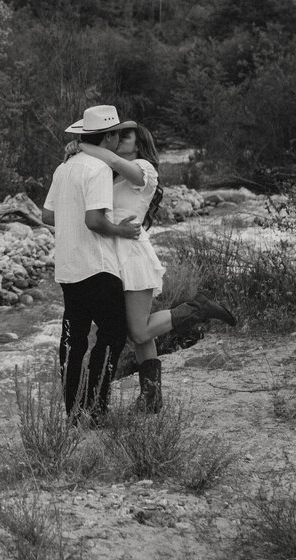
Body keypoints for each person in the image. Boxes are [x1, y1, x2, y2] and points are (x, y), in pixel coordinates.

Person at [68, 122, 237, 413]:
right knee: (138, 333)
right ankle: (151, 398)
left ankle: (197, 308)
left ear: (140, 143)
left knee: (138, 331)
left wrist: (84, 144)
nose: (119, 139)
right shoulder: (113, 175)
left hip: (132, 255)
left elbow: (110, 158)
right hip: (111, 256)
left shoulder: (144, 169)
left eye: (126, 135)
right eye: (116, 135)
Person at [42, 105, 141, 421]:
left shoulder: (65, 167)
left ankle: (73, 410)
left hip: (69, 268)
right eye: (116, 135)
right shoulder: (98, 169)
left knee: (73, 341)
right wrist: (122, 230)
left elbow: (47, 215)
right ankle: (96, 404)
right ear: (110, 136)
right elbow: (95, 221)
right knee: (113, 333)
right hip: (97, 266)